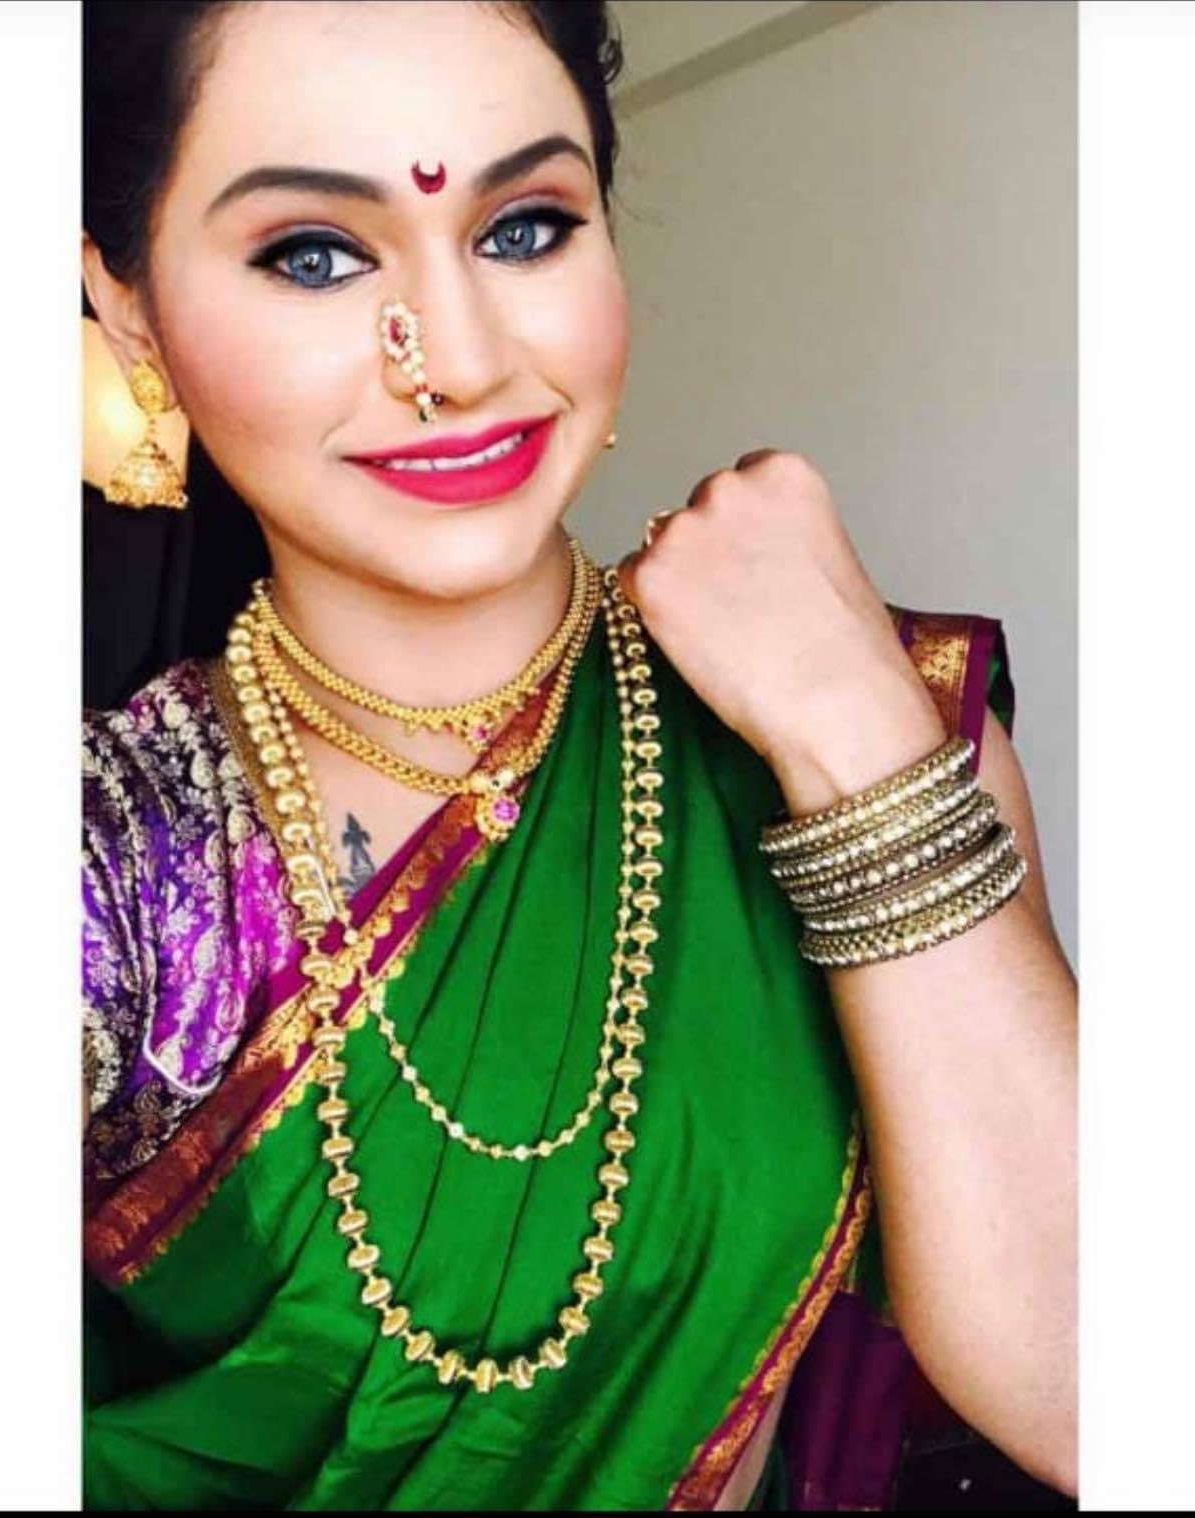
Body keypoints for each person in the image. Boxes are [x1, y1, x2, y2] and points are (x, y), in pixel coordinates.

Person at [80, 2, 1077, 1509]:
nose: (459, 362)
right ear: (131, 306)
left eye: (525, 228)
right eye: (314, 254)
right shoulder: (109, 863)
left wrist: (860, 745)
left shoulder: (880, 729)